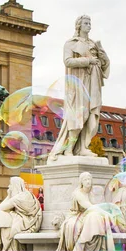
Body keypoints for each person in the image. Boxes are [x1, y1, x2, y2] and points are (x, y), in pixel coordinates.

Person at [48, 15, 110, 161]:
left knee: (89, 114)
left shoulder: (94, 44)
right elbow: (68, 61)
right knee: (77, 115)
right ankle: (69, 148)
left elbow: (104, 65)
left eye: (90, 23)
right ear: (79, 26)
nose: (89, 25)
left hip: (93, 82)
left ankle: (83, 147)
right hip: (78, 83)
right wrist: (88, 60)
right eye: (86, 23)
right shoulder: (71, 43)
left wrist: (102, 55)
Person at [0, 177, 42, 251]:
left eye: (10, 184)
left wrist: (8, 196)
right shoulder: (24, 195)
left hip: (26, 221)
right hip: (22, 219)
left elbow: (1, 207)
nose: (9, 186)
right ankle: (3, 248)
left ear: (15, 185)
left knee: (0, 217)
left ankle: (5, 248)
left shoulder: (21, 197)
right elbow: (1, 208)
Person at [56, 172, 94, 251]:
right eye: (85, 180)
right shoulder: (78, 193)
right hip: (77, 215)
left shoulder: (92, 192)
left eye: (89, 179)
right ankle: (79, 249)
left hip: (89, 214)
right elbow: (89, 206)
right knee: (75, 226)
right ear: (81, 182)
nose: (88, 181)